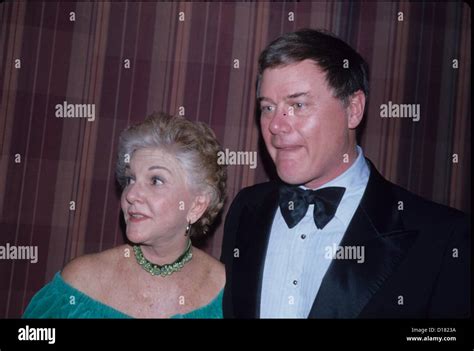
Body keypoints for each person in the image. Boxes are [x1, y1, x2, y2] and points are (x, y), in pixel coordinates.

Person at [221, 29, 469, 318]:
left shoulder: (443, 238)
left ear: (353, 109)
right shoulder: (246, 209)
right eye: (268, 107)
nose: (276, 125)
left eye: (298, 105)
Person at [23, 112, 227, 318]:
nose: (131, 194)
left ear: (196, 206)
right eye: (130, 179)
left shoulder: (228, 293)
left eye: (155, 180)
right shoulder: (80, 283)